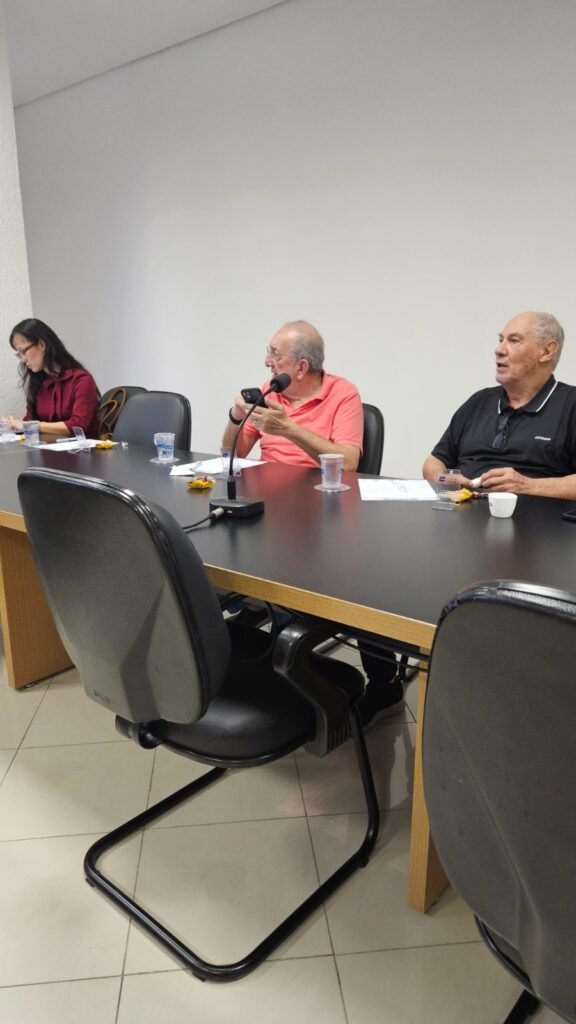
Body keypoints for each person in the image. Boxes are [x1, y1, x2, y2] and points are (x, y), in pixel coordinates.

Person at [223, 319, 404, 725]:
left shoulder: (343, 393)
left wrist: (289, 429)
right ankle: (250, 642)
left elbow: (348, 461)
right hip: (272, 506)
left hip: (325, 512)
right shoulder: (270, 392)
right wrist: (236, 416)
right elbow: (231, 450)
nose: (266, 362)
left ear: (301, 367)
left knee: (358, 577)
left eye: (274, 354)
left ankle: (382, 681)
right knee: (224, 541)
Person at [423, 311, 576, 498]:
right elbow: (433, 463)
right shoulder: (479, 401)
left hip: (532, 513)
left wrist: (527, 485)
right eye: (501, 340)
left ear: (547, 351)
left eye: (514, 341)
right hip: (463, 509)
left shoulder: (570, 404)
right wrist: (444, 479)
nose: (499, 350)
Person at [6, 318, 100, 438]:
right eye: (19, 354)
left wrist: (31, 425)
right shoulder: (37, 384)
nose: (23, 360)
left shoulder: (82, 380)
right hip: (49, 448)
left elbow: (78, 425)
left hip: (85, 449)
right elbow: (29, 420)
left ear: (42, 345)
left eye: (23, 351)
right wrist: (12, 425)